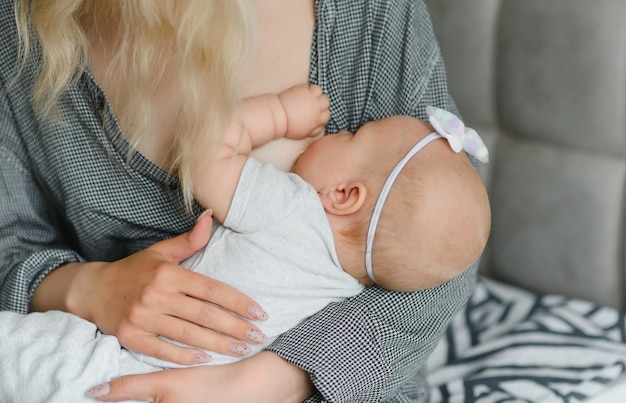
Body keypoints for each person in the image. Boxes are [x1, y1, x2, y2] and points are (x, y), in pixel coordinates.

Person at [0, 0, 484, 401]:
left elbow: (442, 265)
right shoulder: (341, 275)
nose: (335, 134)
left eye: (352, 133)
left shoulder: (296, 203)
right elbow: (10, 239)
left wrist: (266, 381)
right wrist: (87, 288)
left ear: (344, 195)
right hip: (128, 354)